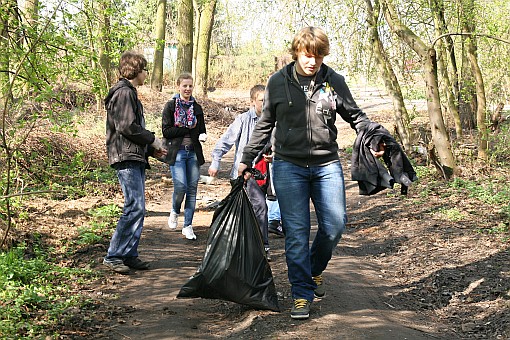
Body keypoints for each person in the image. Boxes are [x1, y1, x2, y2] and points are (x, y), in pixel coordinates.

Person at [238, 27, 378, 319]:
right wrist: (246, 159)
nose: (313, 61)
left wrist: (374, 140)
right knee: (297, 233)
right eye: (307, 55)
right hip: (289, 165)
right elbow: (265, 124)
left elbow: (356, 116)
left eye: (318, 56)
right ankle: (302, 293)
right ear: (297, 53)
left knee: (335, 224)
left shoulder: (332, 81)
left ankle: (312, 270)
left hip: (326, 164)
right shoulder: (278, 82)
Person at [104, 51, 167, 274]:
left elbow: (129, 130)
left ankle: (129, 254)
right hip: (125, 158)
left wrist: (150, 149)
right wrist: (152, 138)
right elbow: (126, 127)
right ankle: (114, 255)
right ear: (136, 70)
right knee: (134, 206)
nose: (147, 73)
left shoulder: (129, 93)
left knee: (138, 208)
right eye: (145, 69)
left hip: (133, 156)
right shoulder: (123, 92)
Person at [208, 85, 281, 261]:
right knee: (258, 207)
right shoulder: (243, 120)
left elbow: (281, 144)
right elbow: (224, 142)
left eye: (267, 101)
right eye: (262, 100)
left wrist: (274, 156)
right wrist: (215, 162)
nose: (265, 104)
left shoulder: (275, 121)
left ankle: (250, 245)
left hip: (266, 173)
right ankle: (261, 246)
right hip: (245, 174)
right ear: (252, 101)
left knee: (258, 208)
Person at [162, 72, 207, 240]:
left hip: (193, 153)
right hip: (177, 152)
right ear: (178, 86)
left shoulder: (197, 107)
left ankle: (188, 225)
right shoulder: (171, 106)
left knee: (192, 190)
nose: (187, 89)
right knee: (180, 187)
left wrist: (202, 134)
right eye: (184, 85)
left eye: (190, 86)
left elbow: (202, 129)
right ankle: (174, 210)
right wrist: (187, 127)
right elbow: (166, 131)